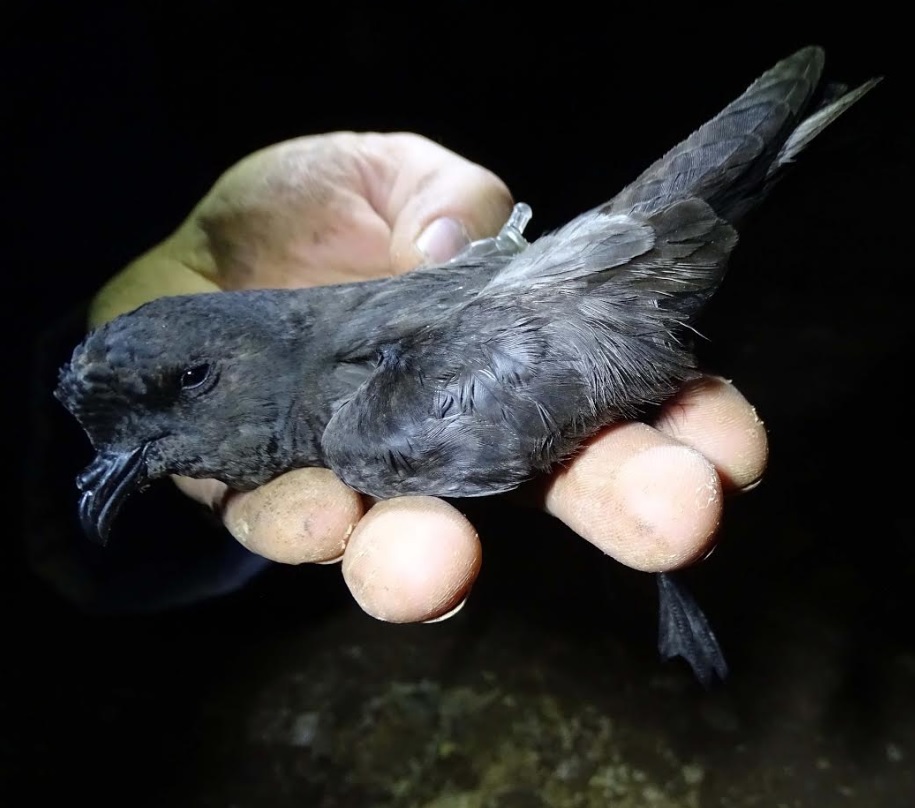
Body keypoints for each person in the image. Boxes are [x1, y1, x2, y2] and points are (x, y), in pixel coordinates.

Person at [81, 131, 769, 623]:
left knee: (652, 505)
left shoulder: (363, 428)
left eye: (195, 380)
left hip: (621, 274)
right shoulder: (298, 340)